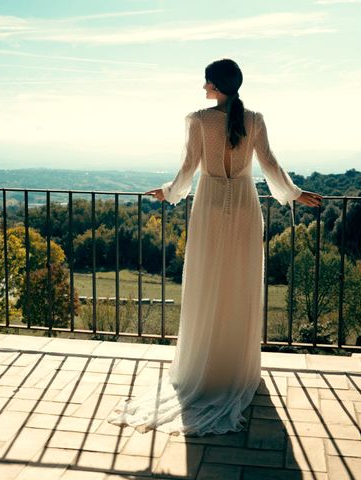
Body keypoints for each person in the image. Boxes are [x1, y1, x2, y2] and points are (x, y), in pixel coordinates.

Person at [106, 59, 323, 437]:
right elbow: (269, 162)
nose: (202, 86)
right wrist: (294, 193)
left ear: (216, 85)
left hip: (208, 204)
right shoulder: (254, 118)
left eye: (206, 81)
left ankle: (203, 369)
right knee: (239, 284)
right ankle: (235, 370)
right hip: (243, 202)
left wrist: (170, 192)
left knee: (206, 283)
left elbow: (190, 164)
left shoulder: (197, 120)